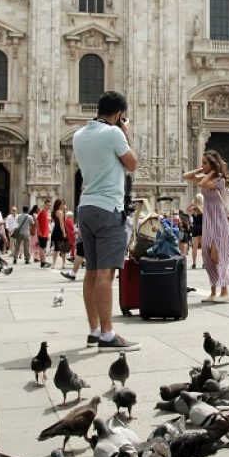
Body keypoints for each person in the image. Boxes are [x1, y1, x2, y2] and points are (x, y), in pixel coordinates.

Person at [73, 91, 139, 351]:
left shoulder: (79, 135)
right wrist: (126, 132)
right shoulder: (113, 134)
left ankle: (94, 331)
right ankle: (108, 335)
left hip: (86, 207)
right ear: (119, 114)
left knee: (91, 271)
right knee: (105, 274)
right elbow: (132, 164)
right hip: (108, 208)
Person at [183, 149, 229, 302]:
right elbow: (186, 176)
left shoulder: (220, 180)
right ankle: (213, 292)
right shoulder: (206, 176)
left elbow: (202, 183)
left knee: (218, 254)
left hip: (218, 219)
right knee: (208, 255)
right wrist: (201, 170)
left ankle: (225, 292)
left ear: (212, 165)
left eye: (205, 163)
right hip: (208, 218)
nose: (202, 165)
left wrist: (210, 173)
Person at [187, 193, 204, 269]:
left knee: (194, 247)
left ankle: (194, 263)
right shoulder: (204, 208)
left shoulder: (194, 209)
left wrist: (192, 203)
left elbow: (187, 210)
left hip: (195, 227)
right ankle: (204, 263)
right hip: (202, 227)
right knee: (203, 247)